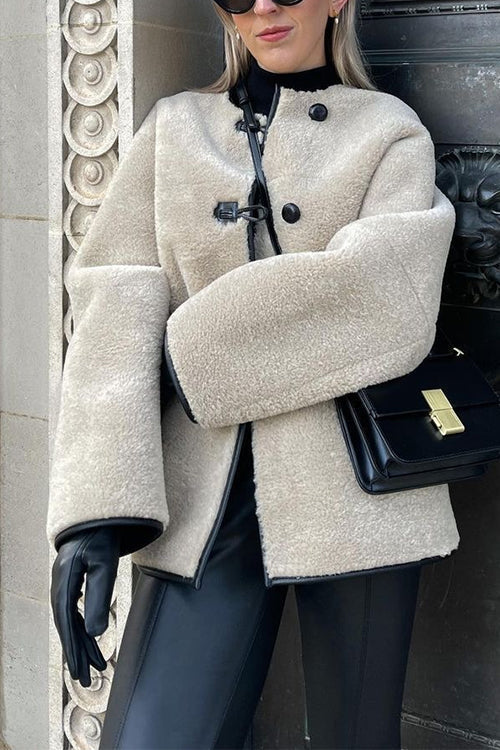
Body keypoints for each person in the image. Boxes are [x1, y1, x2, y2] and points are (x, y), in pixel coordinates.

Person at [47, 0, 461, 747]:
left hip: (361, 491)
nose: (264, 5)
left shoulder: (389, 130)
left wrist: (180, 355)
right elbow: (112, 297)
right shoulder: (175, 128)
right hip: (203, 496)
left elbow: (385, 296)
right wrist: (96, 513)